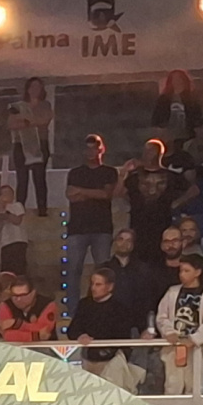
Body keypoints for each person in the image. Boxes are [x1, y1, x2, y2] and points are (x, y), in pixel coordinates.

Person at [62, 135, 120, 314]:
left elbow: (106, 195)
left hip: (101, 227)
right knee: (73, 270)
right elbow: (71, 195)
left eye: (94, 148)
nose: (90, 152)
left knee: (102, 270)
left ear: (101, 149)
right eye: (87, 148)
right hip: (77, 228)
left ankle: (101, 307)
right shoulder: (75, 173)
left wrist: (82, 192)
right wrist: (94, 193)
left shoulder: (109, 172)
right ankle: (73, 310)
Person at [154, 254, 203, 396]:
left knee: (194, 386)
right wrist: (168, 332)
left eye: (186, 271)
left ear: (197, 272)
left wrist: (195, 338)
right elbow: (162, 316)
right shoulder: (172, 292)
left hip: (196, 348)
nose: (182, 274)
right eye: (181, 271)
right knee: (172, 385)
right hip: (175, 346)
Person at [68, 269, 142, 389]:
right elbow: (72, 330)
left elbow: (122, 338)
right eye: (92, 284)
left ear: (110, 286)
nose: (93, 288)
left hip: (111, 362)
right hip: (87, 360)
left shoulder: (120, 308)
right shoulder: (84, 304)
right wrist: (81, 335)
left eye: (98, 284)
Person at [8, 77, 53, 214]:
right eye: (32, 87)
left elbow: (44, 120)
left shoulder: (45, 105)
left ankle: (42, 210)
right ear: (27, 89)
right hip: (21, 145)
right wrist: (31, 122)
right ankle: (19, 210)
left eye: (38, 87)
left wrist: (24, 121)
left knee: (39, 178)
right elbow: (11, 124)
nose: (35, 90)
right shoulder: (17, 106)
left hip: (40, 144)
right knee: (22, 179)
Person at [0, 278, 58, 342]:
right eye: (15, 296)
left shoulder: (48, 305)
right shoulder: (5, 305)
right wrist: (35, 336)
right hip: (15, 347)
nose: (19, 299)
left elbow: (45, 331)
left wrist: (18, 324)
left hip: (46, 346)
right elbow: (7, 335)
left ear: (33, 293)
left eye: (23, 295)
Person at [0, 184, 29, 276]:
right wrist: (0, 206)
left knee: (18, 269)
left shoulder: (17, 205)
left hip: (18, 240)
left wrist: (6, 214)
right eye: (4, 194)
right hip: (5, 243)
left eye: (9, 193)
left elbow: (17, 220)